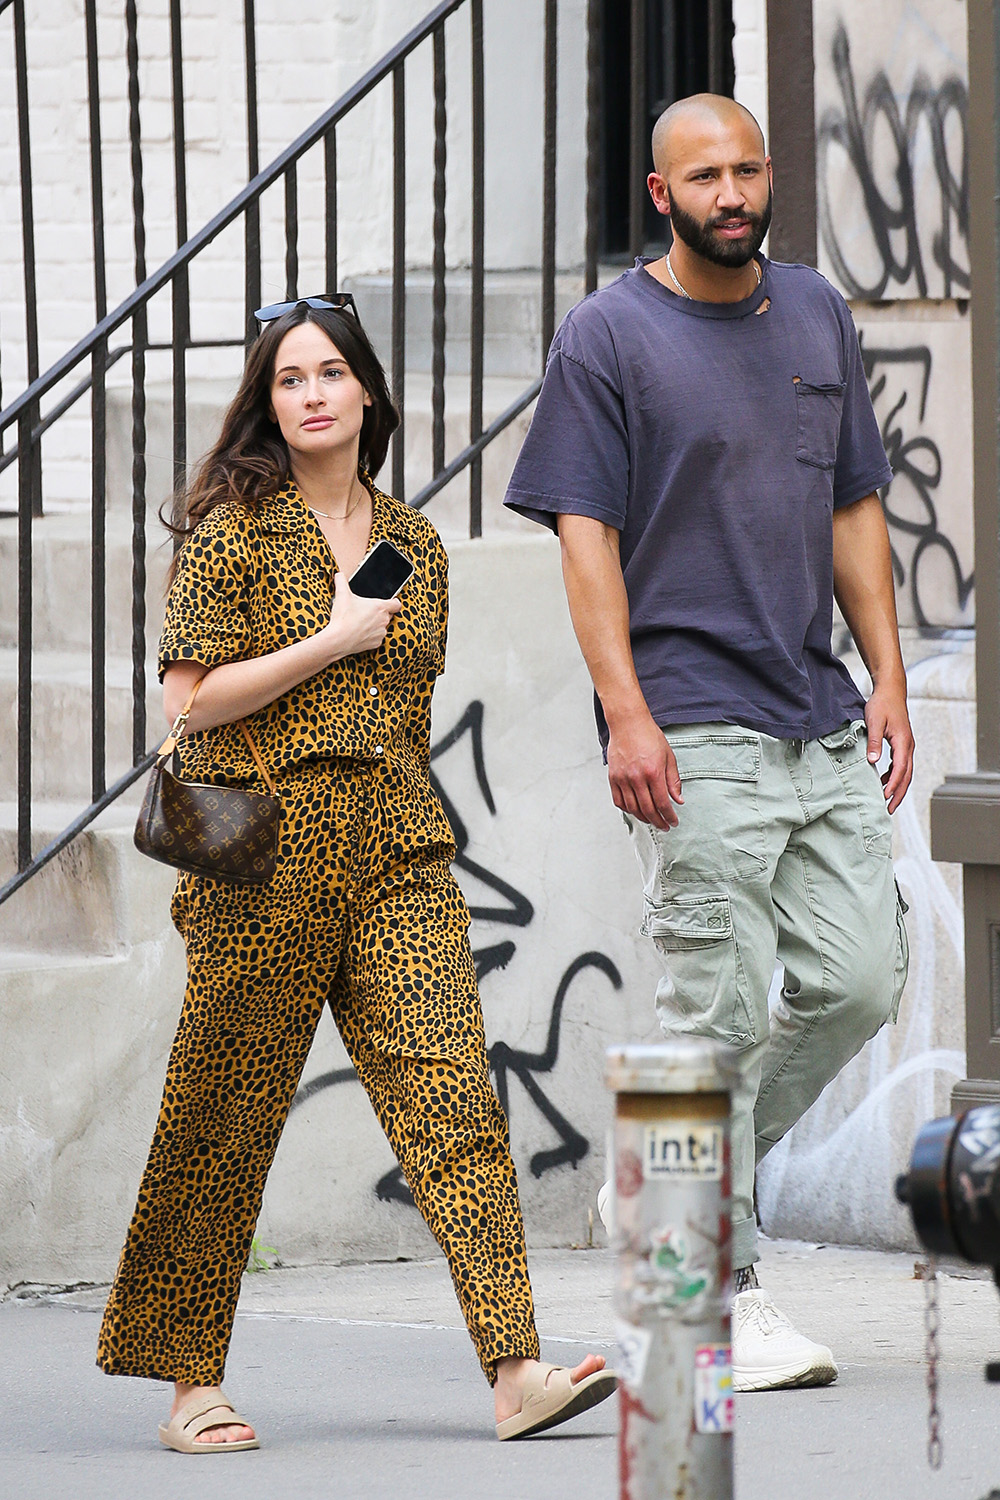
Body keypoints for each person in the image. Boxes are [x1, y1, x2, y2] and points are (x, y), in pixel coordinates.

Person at [97, 295, 616, 1450]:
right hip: (263, 853)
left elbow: (405, 709)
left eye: (332, 372)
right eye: (290, 379)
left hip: (395, 851)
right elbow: (187, 701)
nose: (315, 393)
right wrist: (329, 636)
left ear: (369, 391)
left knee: (453, 1101)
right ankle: (190, 1387)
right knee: (223, 1116)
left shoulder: (416, 545)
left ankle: (515, 1370)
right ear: (267, 403)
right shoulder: (233, 530)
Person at [504, 95, 912, 1392]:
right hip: (689, 716)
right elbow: (585, 538)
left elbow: (854, 506)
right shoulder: (608, 335)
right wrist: (626, 708)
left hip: (816, 709)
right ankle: (702, 1298)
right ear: (659, 190)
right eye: (705, 177)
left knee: (859, 981)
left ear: (768, 176)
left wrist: (888, 676)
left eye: (746, 170)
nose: (730, 193)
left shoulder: (816, 314)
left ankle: (667, 1196)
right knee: (713, 1014)